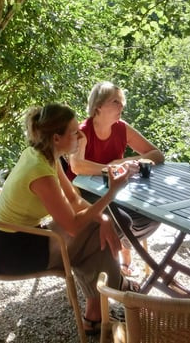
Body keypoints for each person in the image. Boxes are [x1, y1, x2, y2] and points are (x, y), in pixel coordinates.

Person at [0, 103, 138, 336]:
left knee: (105, 229)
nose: (80, 135)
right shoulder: (40, 170)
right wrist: (111, 194)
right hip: (14, 253)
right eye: (74, 131)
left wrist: (103, 219)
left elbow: (74, 200)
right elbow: (73, 225)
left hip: (21, 238)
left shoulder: (44, 155)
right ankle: (107, 301)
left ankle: (97, 313)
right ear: (57, 138)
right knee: (102, 233)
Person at [67, 81, 164, 277]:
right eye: (115, 102)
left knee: (153, 215)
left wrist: (126, 160)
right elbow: (77, 166)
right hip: (84, 194)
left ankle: (123, 248)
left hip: (117, 190)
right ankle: (113, 265)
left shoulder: (122, 128)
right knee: (122, 220)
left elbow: (156, 154)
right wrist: (111, 167)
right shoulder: (82, 131)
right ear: (98, 106)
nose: (122, 106)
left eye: (122, 102)